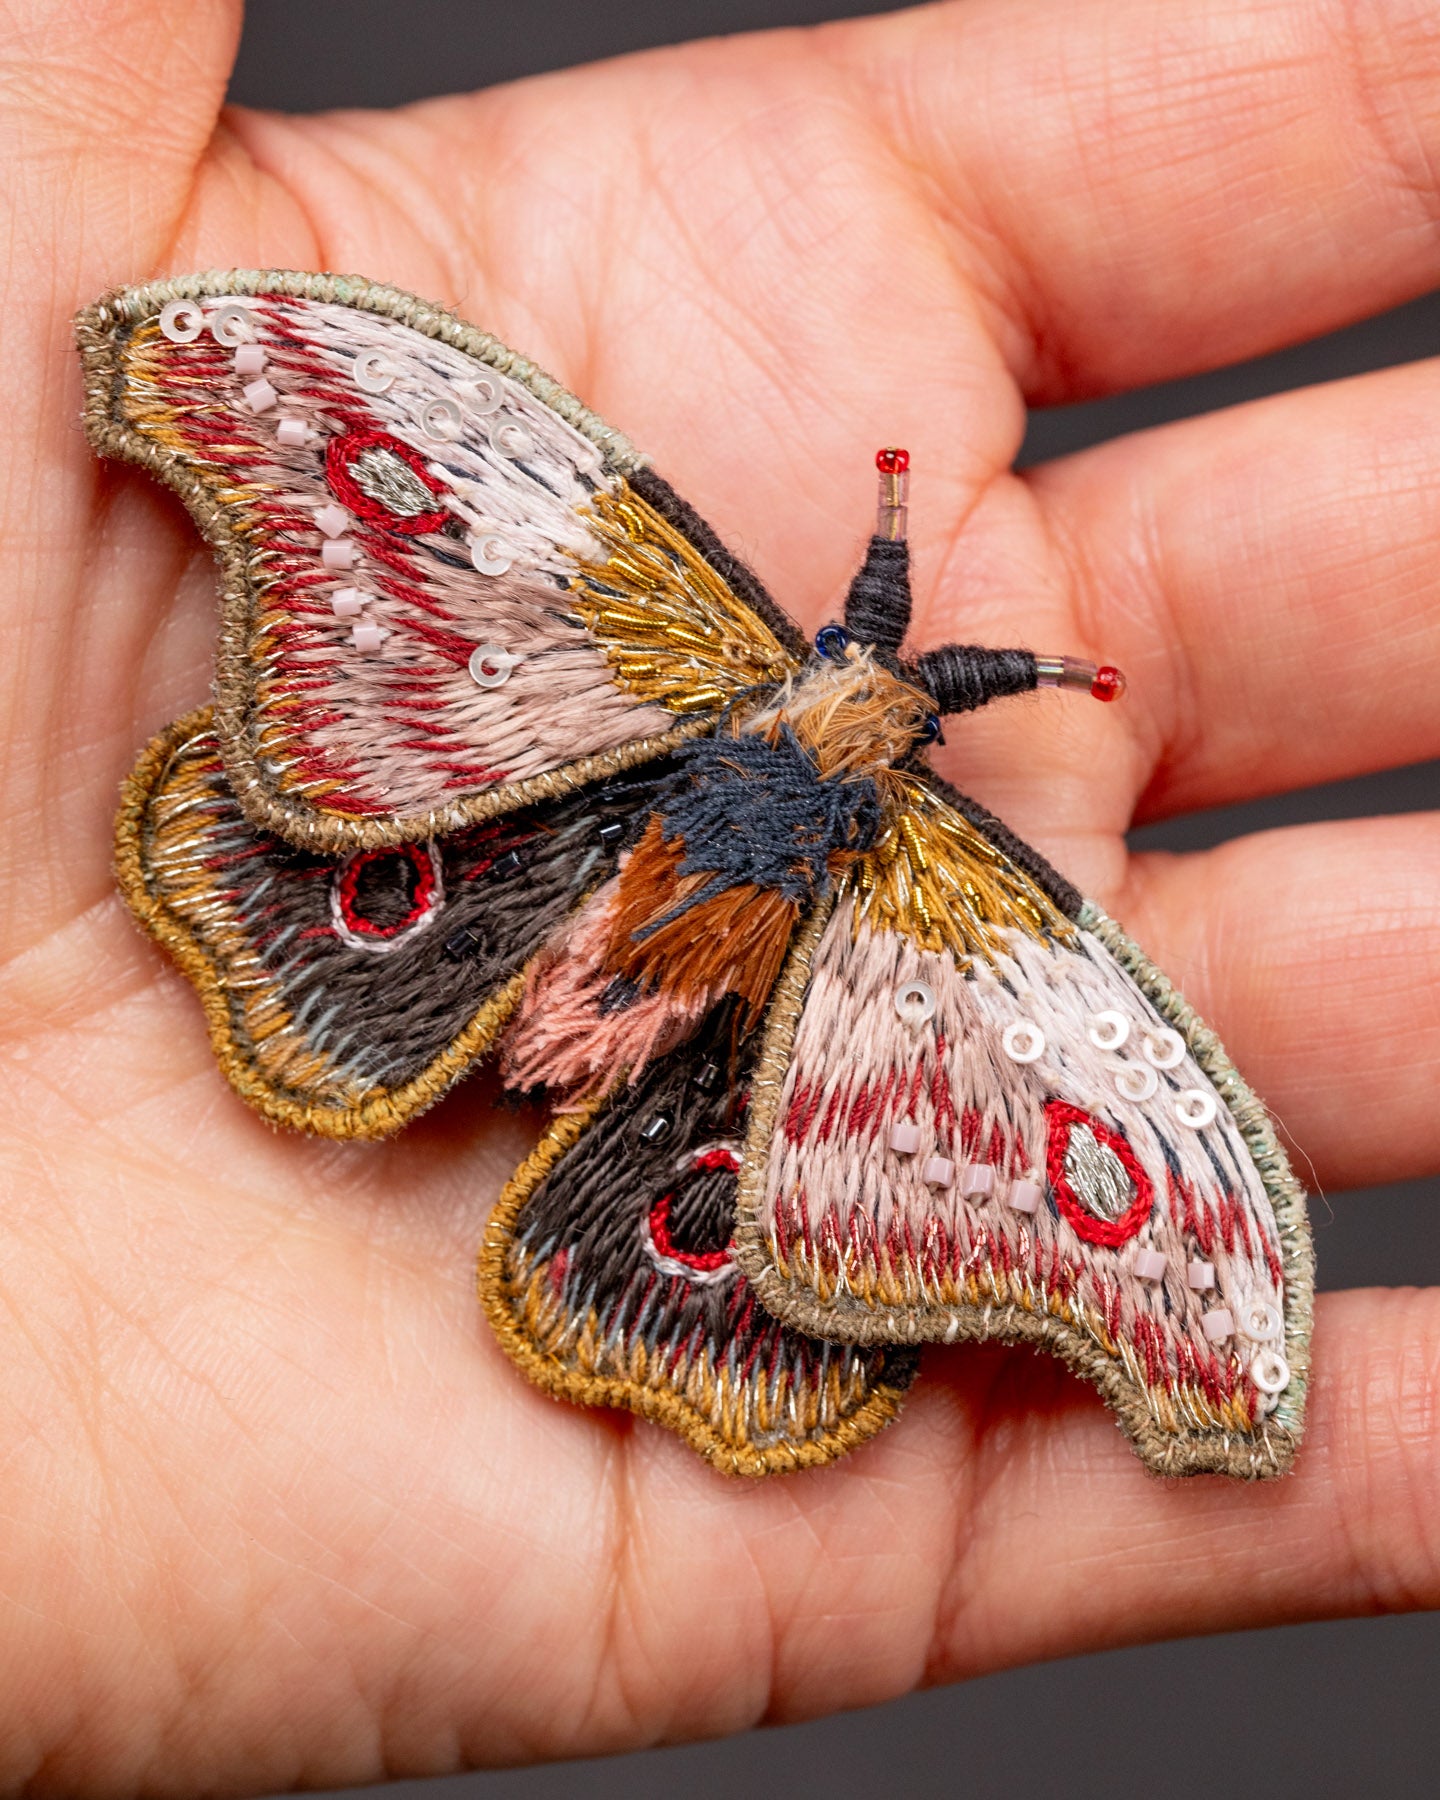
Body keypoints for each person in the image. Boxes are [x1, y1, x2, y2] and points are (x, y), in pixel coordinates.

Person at [2, 0, 1436, 1789]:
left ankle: (589, 1158)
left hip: (528, 938)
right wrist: (212, 374)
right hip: (512, 886)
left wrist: (1199, 1312)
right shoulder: (947, 886)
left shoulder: (697, 645)